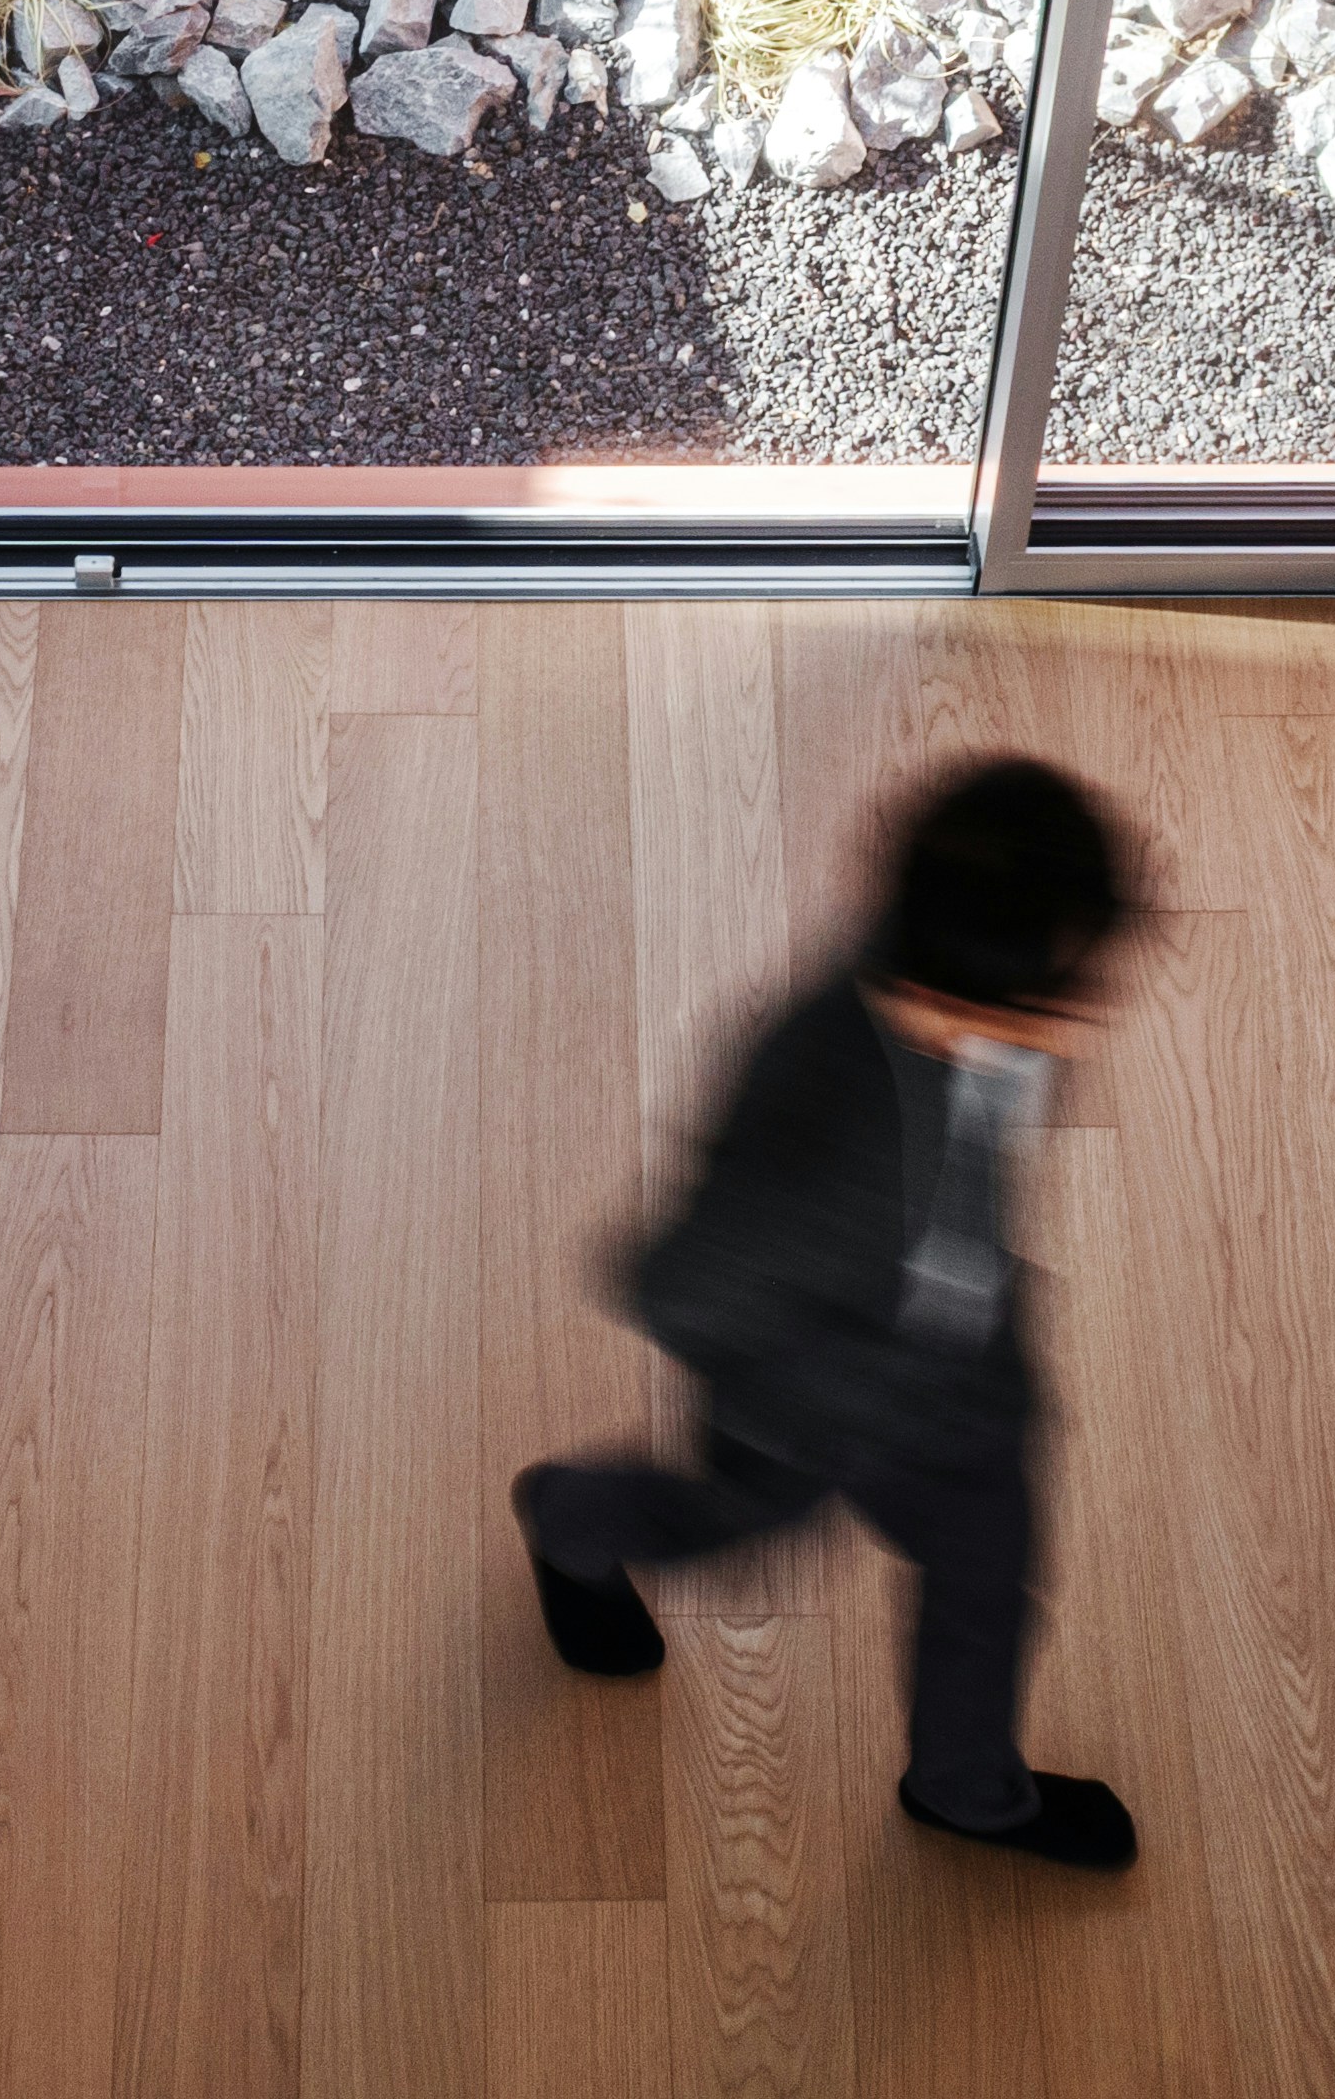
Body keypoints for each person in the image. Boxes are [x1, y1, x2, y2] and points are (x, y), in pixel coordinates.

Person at [511, 753, 1143, 1870]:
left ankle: (965, 1788)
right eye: (1062, 996)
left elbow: (974, 1148)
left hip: (957, 1369)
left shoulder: (967, 992)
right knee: (737, 1526)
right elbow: (675, 1281)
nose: (1086, 1016)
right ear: (954, 995)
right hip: (811, 1405)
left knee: (989, 1562)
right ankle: (576, 1519)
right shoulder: (822, 1118)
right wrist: (822, 1380)